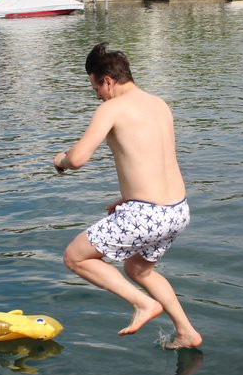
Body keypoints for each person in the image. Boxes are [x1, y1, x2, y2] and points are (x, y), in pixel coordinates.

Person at [54, 43, 202, 350]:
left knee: (75, 257)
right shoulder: (159, 104)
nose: (96, 94)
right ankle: (186, 331)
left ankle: (142, 304)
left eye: (95, 86)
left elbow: (79, 158)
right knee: (138, 268)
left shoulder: (111, 108)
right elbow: (157, 161)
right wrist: (128, 199)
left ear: (107, 80)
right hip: (176, 209)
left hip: (147, 214)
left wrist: (61, 160)